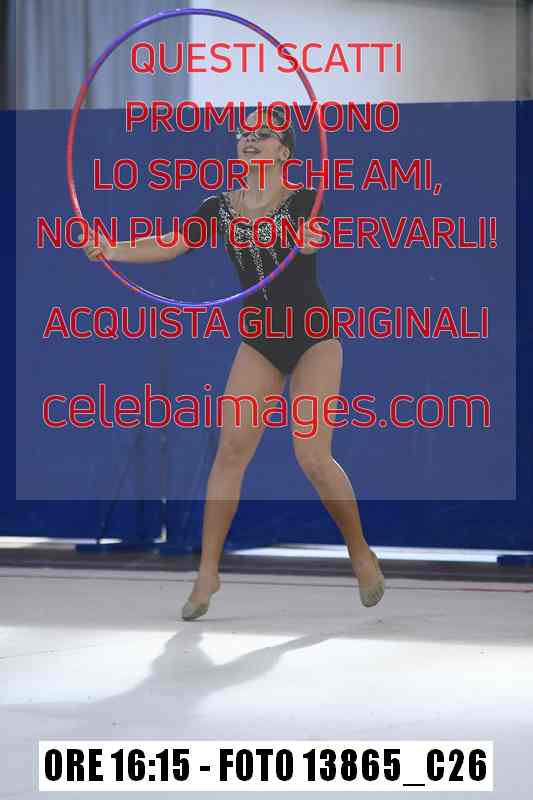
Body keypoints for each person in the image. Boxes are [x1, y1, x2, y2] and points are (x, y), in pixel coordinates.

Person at [81, 109, 385, 620]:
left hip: (313, 338)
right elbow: (173, 243)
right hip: (260, 341)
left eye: (263, 134)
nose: (250, 139)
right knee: (230, 455)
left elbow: (315, 234)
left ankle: (359, 552)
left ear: (283, 152)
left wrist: (311, 239)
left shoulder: (303, 201)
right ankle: (208, 572)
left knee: (313, 457)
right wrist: (113, 249)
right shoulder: (218, 208)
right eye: (244, 132)